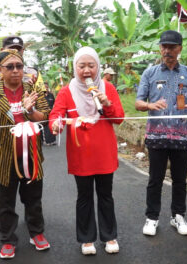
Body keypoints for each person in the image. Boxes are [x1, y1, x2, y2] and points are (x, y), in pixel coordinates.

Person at [49, 47, 124, 255]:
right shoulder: (66, 91)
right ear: (75, 68)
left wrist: (107, 103)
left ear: (98, 67)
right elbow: (56, 115)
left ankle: (109, 236)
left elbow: (118, 118)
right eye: (82, 66)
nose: (87, 70)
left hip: (105, 153)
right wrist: (55, 125)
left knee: (106, 195)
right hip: (80, 154)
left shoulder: (107, 87)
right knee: (84, 196)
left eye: (91, 65)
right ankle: (87, 239)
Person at [0, 49, 51, 259]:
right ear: (0, 70)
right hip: (3, 158)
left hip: (32, 156)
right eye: (10, 67)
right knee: (5, 202)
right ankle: (8, 240)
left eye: (19, 66)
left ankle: (36, 233)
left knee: (34, 199)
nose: (16, 71)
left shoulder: (33, 90)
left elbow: (44, 117)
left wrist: (30, 111)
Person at [135, 30, 187, 236]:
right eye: (164, 46)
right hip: (156, 136)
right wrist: (150, 104)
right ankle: (152, 218)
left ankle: (178, 216)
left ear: (180, 49)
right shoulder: (150, 73)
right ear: (160, 48)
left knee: (180, 180)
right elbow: (138, 103)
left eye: (172, 47)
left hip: (182, 135)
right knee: (155, 179)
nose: (167, 50)